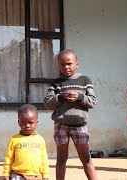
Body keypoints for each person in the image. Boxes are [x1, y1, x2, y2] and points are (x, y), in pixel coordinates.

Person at [44, 49, 97, 180]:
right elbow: (48, 103)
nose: (66, 67)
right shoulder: (56, 83)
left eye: (69, 64)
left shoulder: (85, 80)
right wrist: (60, 97)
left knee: (86, 158)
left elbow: (92, 102)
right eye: (62, 64)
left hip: (80, 126)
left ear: (76, 64)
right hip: (61, 125)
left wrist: (79, 97)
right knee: (61, 158)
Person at [3, 104, 49, 180]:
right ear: (19, 122)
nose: (27, 125)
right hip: (17, 175)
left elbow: (44, 159)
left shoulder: (40, 140)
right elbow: (9, 158)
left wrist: (45, 175)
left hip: (36, 176)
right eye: (23, 122)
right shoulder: (14, 139)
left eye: (30, 123)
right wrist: (6, 174)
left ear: (36, 123)